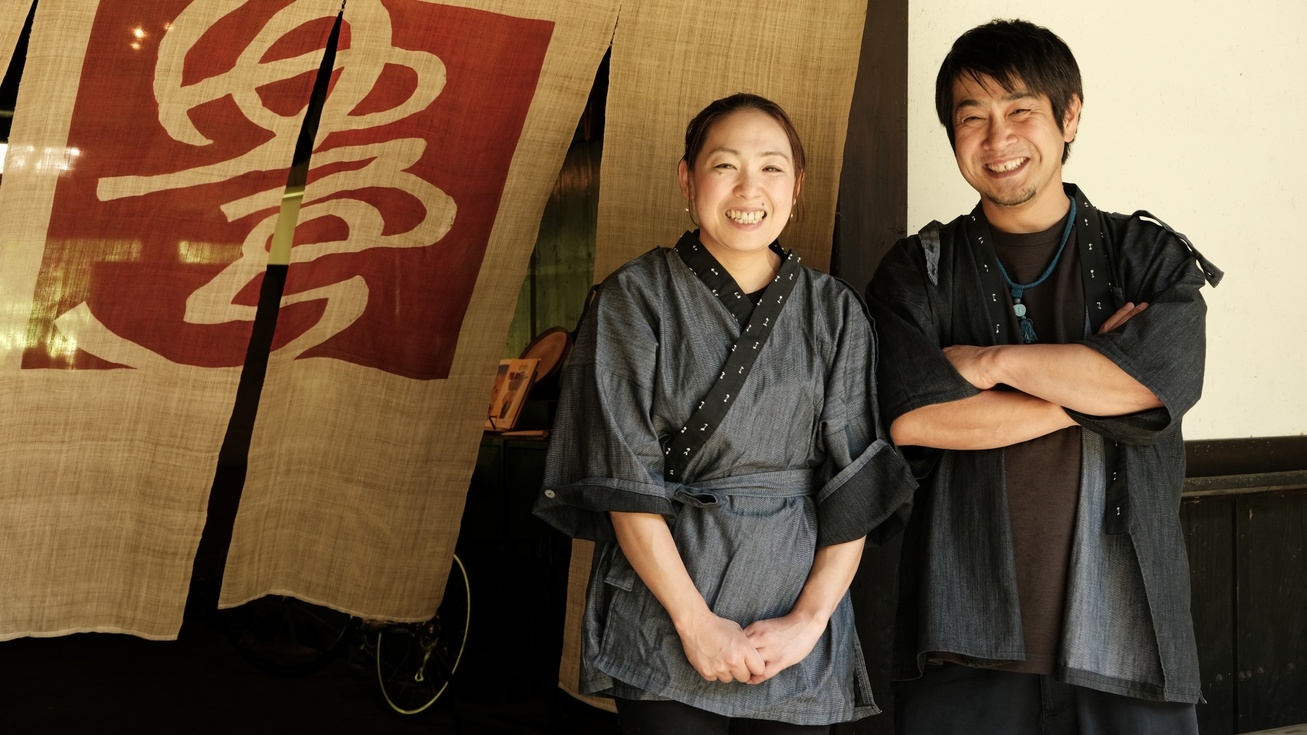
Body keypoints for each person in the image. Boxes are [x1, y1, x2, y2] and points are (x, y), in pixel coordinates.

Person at [865, 19, 1222, 735]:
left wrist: (990, 364)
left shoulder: (1145, 256)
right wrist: (1091, 386)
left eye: (1019, 111)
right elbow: (914, 416)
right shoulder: (918, 271)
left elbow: (1155, 387)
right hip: (962, 642)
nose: (997, 141)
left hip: (1130, 634)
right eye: (972, 119)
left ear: (1069, 115)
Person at [534, 93, 916, 733]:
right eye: (724, 166)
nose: (749, 188)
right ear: (687, 178)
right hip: (667, 610)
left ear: (797, 187)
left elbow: (854, 486)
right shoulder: (634, 298)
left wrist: (808, 623)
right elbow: (625, 480)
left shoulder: (835, 311)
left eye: (771, 167)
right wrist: (697, 624)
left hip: (794, 614)